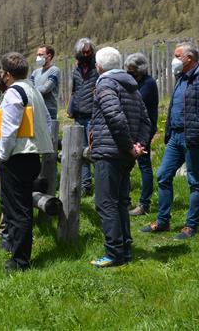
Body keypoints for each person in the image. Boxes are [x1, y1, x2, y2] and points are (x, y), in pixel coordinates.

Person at [141, 42, 199, 240]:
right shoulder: (181, 78)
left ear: (189, 58)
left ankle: (190, 225)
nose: (174, 59)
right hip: (176, 137)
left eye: (177, 56)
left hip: (194, 138)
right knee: (163, 175)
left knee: (194, 181)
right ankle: (163, 221)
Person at [88, 48, 151, 267]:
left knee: (106, 203)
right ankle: (125, 248)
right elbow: (146, 121)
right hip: (125, 154)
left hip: (110, 151)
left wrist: (129, 146)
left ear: (99, 67)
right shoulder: (132, 86)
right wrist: (137, 145)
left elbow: (114, 116)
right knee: (121, 202)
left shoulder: (106, 84)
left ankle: (114, 253)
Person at [0, 52, 54, 272]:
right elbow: (47, 120)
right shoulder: (33, 90)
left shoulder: (13, 93)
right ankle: (17, 250)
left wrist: (3, 154)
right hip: (33, 154)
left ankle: (20, 260)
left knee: (17, 209)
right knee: (22, 207)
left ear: (7, 74)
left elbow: (9, 128)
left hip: (17, 156)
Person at [124, 53, 159, 216]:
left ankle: (144, 204)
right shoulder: (134, 82)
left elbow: (138, 101)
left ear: (140, 70)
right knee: (125, 165)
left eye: (132, 71)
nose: (130, 74)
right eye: (128, 71)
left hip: (144, 130)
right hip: (131, 128)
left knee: (144, 165)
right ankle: (125, 200)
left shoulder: (149, 84)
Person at [67, 38, 98, 196]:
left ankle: (100, 183)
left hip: (93, 115)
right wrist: (71, 108)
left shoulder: (97, 68)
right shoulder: (76, 70)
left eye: (88, 52)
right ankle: (86, 185)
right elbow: (74, 90)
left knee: (94, 150)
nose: (85, 54)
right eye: (83, 52)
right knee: (81, 152)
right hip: (79, 115)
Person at [31, 44, 61, 121]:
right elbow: (29, 88)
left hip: (49, 111)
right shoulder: (35, 72)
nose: (38, 57)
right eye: (37, 55)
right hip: (36, 109)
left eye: (40, 55)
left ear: (49, 56)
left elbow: (45, 89)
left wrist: (32, 89)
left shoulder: (54, 70)